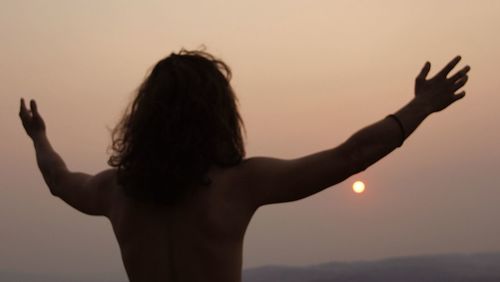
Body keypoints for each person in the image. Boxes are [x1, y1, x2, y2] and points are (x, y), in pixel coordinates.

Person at [19, 50, 470, 282]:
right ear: (218, 113)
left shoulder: (114, 191)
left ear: (144, 118)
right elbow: (350, 156)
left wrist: (39, 136)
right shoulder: (239, 184)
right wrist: (419, 107)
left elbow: (58, 180)